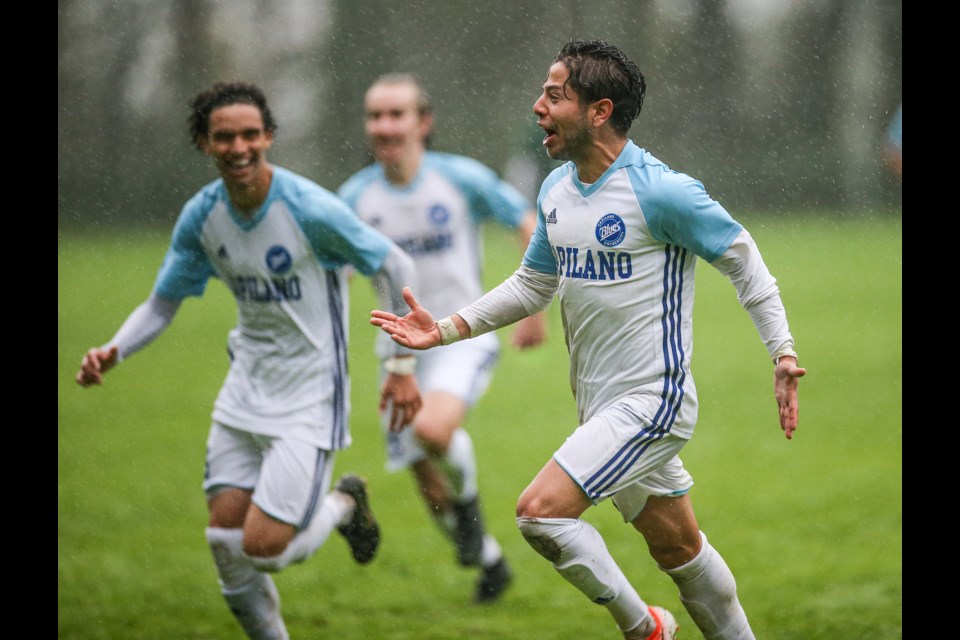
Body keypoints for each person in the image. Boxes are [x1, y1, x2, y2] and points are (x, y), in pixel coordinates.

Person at [370, 40, 807, 640]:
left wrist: (782, 352)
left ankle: (643, 627)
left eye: (554, 96)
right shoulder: (556, 191)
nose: (537, 108)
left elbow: (743, 259)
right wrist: (445, 328)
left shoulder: (661, 191)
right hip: (600, 404)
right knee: (678, 548)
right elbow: (532, 285)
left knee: (539, 515)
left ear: (599, 111)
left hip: (654, 401)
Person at [75, 81, 422, 640]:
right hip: (243, 391)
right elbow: (163, 301)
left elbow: (396, 267)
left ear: (268, 137)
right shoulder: (202, 217)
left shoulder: (307, 208)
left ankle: (343, 504)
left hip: (311, 397)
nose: (239, 147)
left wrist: (400, 368)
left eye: (250, 134)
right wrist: (115, 349)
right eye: (224, 137)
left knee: (263, 549)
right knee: (224, 542)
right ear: (204, 143)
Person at [338, 73, 547, 603]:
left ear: (422, 122)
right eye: (375, 116)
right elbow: (332, 268)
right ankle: (492, 562)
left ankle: (471, 503)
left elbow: (528, 224)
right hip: (396, 353)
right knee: (430, 488)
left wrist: (535, 307)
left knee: (433, 431)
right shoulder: (355, 198)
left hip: (462, 335)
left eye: (396, 114)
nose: (385, 126)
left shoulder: (459, 179)